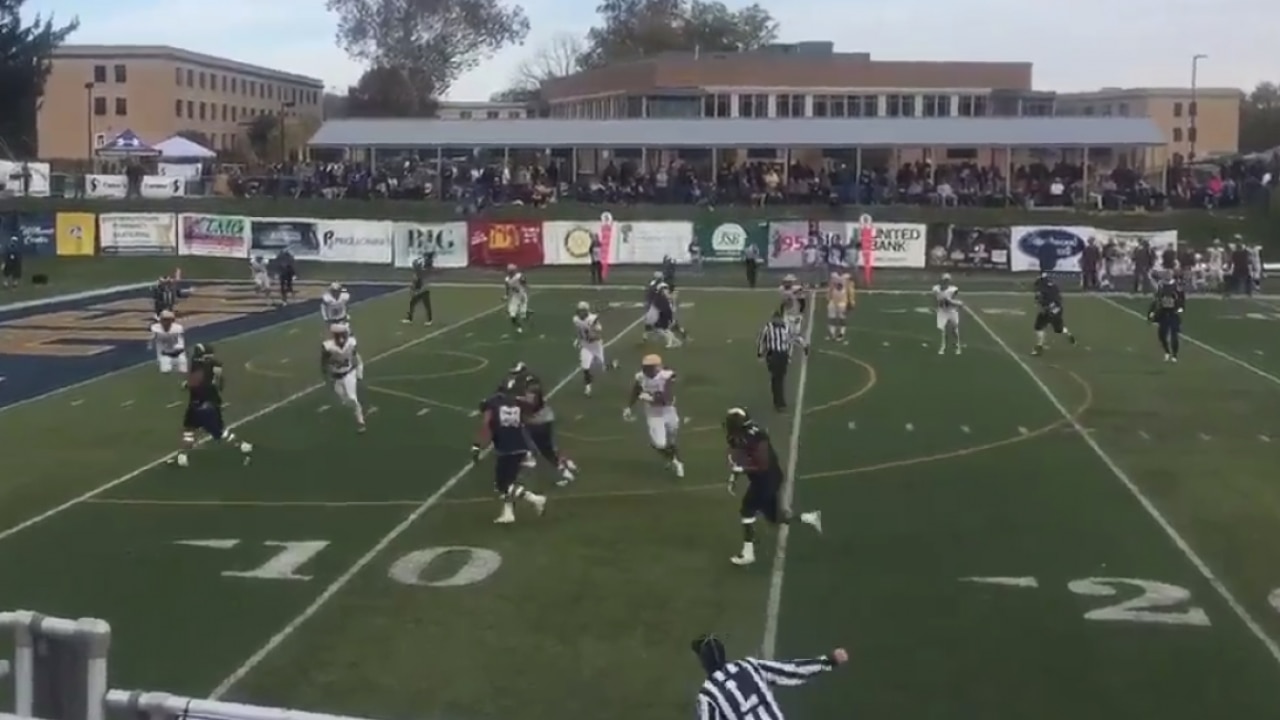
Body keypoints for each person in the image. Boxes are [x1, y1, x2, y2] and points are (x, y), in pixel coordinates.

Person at [692, 633, 847, 720]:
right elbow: (791, 670)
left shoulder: (707, 695)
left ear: (703, 662)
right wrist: (829, 661)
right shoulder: (749, 666)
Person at [757, 311, 802, 412]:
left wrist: (790, 354)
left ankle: (778, 400)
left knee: (779, 378)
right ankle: (779, 402)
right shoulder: (768, 328)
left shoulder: (786, 327)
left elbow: (791, 340)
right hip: (773, 354)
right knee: (777, 377)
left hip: (783, 355)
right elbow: (762, 340)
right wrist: (760, 354)